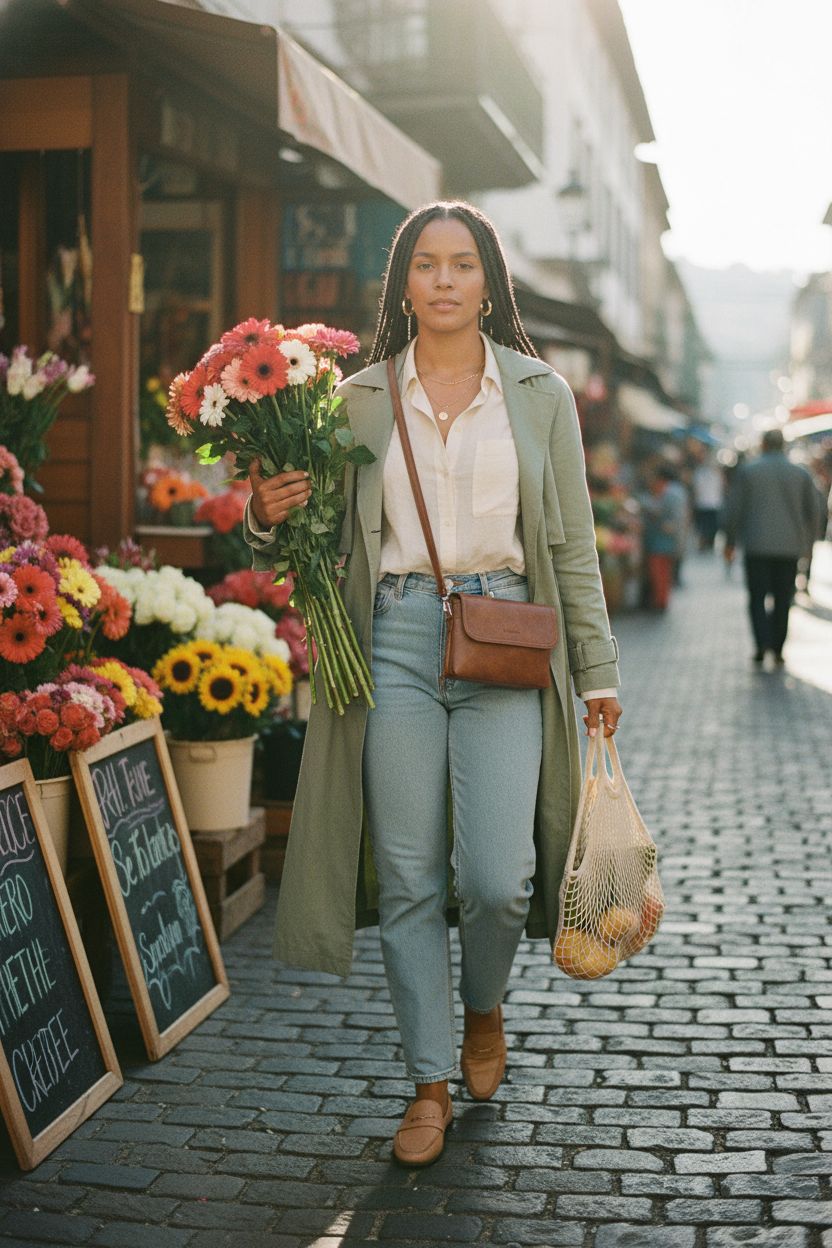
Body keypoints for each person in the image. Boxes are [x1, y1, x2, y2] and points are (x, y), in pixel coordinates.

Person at [244, 201, 622, 1167]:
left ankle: (484, 1010)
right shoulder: (357, 398)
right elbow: (317, 538)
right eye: (426, 264)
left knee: (497, 881)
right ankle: (426, 1084)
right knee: (410, 876)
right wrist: (262, 510)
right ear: (402, 284)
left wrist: (598, 673)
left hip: (507, 637)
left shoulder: (540, 394)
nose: (445, 280)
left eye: (462, 263)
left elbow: (572, 547)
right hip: (394, 643)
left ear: (488, 282)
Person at [724, 428, 820, 664]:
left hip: (757, 546)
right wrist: (809, 544)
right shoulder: (801, 473)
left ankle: (761, 644)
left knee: (756, 597)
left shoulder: (749, 471)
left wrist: (730, 541)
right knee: (783, 598)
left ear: (764, 445)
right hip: (789, 548)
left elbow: (734, 509)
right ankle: (777, 648)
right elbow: (814, 512)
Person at [641, 463, 687, 610]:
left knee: (659, 572)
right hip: (673, 540)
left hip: (662, 541)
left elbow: (659, 510)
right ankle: (662, 600)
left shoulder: (669, 492)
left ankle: (660, 602)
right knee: (665, 573)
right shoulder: (679, 491)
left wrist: (643, 503)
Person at [691, 451, 724, 551]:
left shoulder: (700, 473)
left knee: (703, 527)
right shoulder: (716, 474)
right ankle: (708, 544)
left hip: (705, 504)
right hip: (712, 504)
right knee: (711, 526)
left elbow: (696, 489)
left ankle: (704, 544)